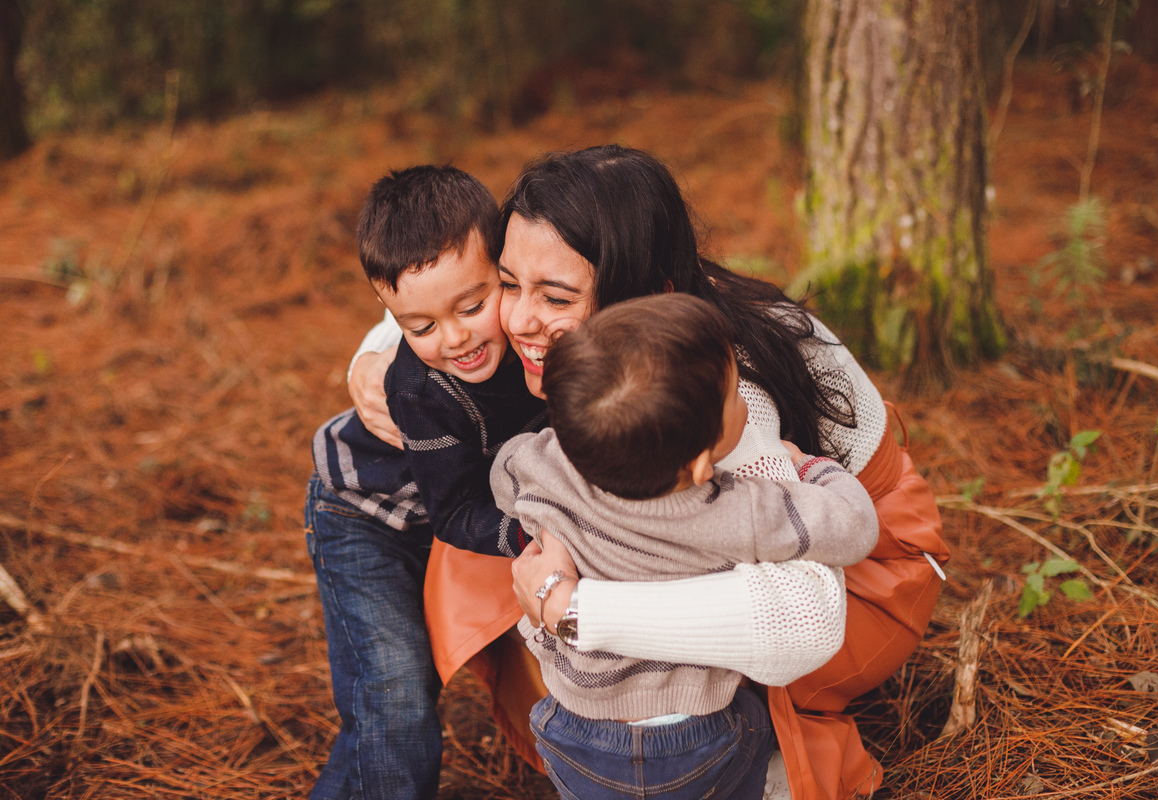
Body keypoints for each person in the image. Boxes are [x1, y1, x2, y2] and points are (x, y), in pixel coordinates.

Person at [348, 145, 949, 799]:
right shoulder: (627, 285)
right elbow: (446, 270)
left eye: (554, 297)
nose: (517, 319)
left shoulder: (708, 391)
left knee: (569, 542)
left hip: (865, 575)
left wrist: (575, 611)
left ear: (645, 289)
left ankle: (753, 766)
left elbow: (804, 621)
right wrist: (380, 348)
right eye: (508, 284)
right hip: (771, 531)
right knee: (484, 544)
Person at [492, 293, 877, 800]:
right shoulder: (739, 511)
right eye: (736, 395)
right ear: (699, 466)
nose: (744, 404)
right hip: (695, 741)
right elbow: (856, 526)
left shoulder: (544, 464)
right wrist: (810, 468)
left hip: (573, 728)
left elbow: (504, 471)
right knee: (754, 729)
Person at [305, 165, 546, 800]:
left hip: (445, 517)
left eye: (472, 305)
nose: (456, 336)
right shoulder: (420, 385)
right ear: (391, 317)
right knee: (395, 693)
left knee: (400, 696)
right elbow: (456, 510)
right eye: (420, 328)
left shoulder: (536, 336)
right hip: (364, 520)